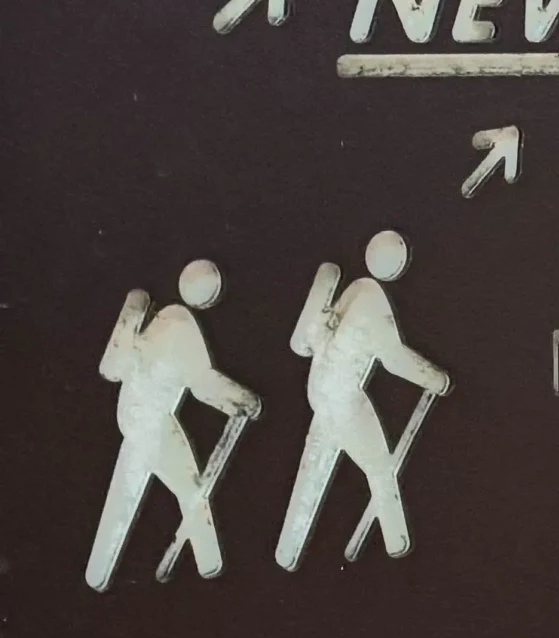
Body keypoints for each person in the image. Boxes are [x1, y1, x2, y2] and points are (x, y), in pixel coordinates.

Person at [275, 230, 450, 570]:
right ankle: (396, 538)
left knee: (312, 474)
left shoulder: (352, 292)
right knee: (380, 469)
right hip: (342, 402)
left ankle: (288, 550)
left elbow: (306, 341)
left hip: (323, 401)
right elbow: (394, 357)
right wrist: (433, 378)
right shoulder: (368, 299)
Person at [86, 260, 262, 590]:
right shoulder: (180, 325)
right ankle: (209, 560)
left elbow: (118, 367)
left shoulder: (158, 321)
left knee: (127, 492)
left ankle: (100, 569)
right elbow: (201, 382)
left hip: (133, 417)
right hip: (150, 421)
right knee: (190, 488)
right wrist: (240, 399)